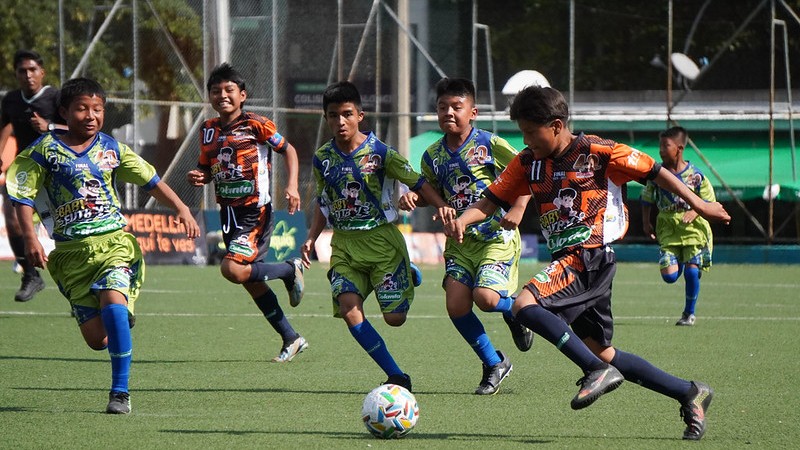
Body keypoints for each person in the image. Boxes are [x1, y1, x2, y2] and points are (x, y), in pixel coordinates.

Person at [447, 86, 730, 440]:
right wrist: (463, 220)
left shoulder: (599, 151)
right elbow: (489, 200)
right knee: (604, 350)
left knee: (523, 304)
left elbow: (656, 172)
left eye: (531, 133)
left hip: (589, 254)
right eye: (523, 133)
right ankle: (689, 392)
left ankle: (594, 370)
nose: (527, 140)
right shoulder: (527, 162)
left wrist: (701, 206)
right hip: (574, 259)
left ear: (556, 125)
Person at [6, 77, 201, 414]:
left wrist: (182, 208)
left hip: (113, 244)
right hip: (69, 255)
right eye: (82, 108)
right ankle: (115, 321)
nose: (91, 115)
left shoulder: (111, 148)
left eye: (98, 109)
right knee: (98, 340)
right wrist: (30, 239)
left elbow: (151, 181)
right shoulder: (44, 150)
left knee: (113, 303)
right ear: (64, 111)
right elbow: (21, 198)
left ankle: (120, 392)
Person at [300, 81, 455, 392]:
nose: (340, 122)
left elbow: (419, 182)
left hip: (382, 242)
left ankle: (405, 274)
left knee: (394, 318)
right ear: (326, 118)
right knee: (349, 308)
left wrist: (442, 206)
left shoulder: (382, 153)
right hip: (344, 243)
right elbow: (323, 201)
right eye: (333, 116)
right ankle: (396, 374)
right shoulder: (322, 158)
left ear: (360, 115)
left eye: (346, 114)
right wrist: (311, 237)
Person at [398, 77, 533, 395]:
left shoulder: (490, 144)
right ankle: (494, 363)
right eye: (442, 107)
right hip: (460, 244)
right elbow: (428, 191)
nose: (449, 112)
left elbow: (525, 171)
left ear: (472, 112)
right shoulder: (432, 155)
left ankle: (518, 310)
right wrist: (412, 199)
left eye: (457, 107)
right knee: (457, 306)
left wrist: (519, 207)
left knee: (485, 299)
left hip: (496, 237)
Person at [186, 63, 308, 363]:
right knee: (250, 281)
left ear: (242, 95)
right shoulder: (208, 130)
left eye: (229, 90)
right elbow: (207, 166)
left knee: (232, 270)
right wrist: (201, 175)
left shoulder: (257, 124)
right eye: (216, 91)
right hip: (228, 213)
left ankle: (289, 269)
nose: (222, 95)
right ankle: (291, 337)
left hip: (255, 211)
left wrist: (292, 186)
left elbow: (288, 150)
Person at [0, 49, 65, 302]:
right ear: (16, 74)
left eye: (32, 70)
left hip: (58, 169)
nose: (28, 75)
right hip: (25, 171)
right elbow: (5, 124)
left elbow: (77, 126)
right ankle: (30, 275)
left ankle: (82, 288)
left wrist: (49, 127)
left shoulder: (55, 98)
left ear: (42, 72)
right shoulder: (12, 100)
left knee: (66, 229)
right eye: (22, 71)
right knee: (12, 217)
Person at [641, 126, 715, 326]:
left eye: (666, 146)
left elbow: (709, 200)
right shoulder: (657, 174)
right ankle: (681, 261)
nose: (661, 150)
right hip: (668, 230)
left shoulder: (696, 175)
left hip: (693, 231)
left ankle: (688, 314)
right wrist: (646, 223)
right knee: (670, 276)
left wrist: (695, 210)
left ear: (679, 148)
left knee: (692, 272)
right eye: (660, 146)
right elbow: (646, 199)